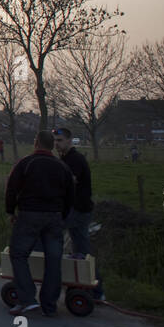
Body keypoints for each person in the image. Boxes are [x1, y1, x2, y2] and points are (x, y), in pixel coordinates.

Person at [4, 130, 75, 317]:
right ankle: (50, 305)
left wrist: (11, 211)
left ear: (36, 143)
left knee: (18, 254)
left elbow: (11, 188)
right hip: (54, 217)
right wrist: (63, 216)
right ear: (52, 145)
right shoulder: (62, 167)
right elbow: (70, 195)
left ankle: (27, 299)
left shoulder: (26, 163)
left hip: (29, 214)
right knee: (53, 260)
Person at [54, 127, 103, 299]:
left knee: (52, 234)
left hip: (78, 209)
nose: (56, 144)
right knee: (81, 249)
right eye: (55, 141)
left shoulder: (74, 159)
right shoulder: (65, 158)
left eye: (60, 140)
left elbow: (69, 182)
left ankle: (53, 277)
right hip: (77, 209)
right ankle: (91, 287)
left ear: (69, 140)